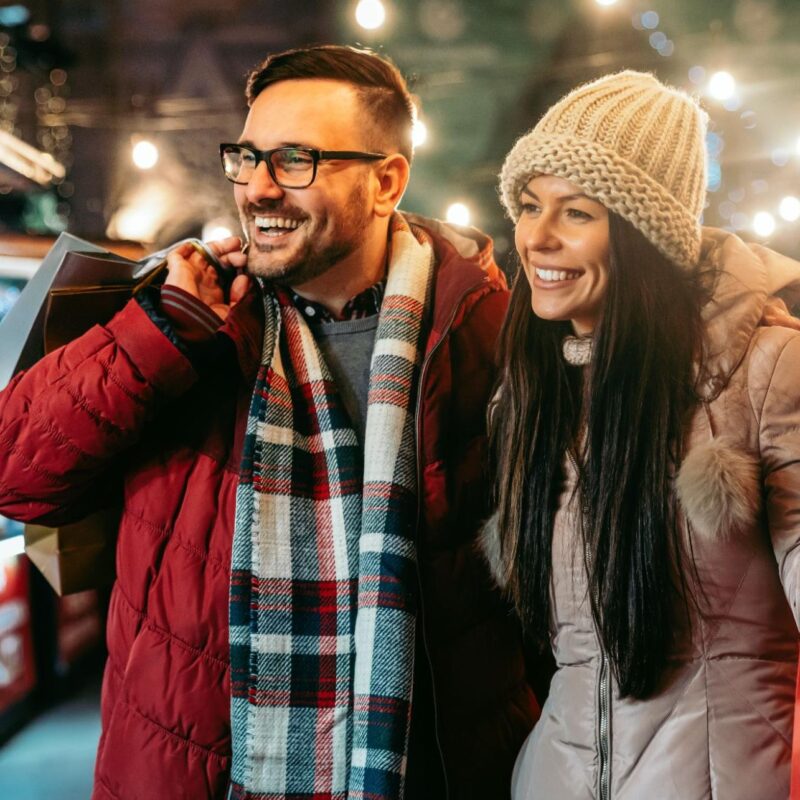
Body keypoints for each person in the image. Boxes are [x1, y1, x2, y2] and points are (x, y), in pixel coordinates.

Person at [0, 45, 539, 799]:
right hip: (193, 771)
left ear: (386, 181)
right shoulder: (193, 318)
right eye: (247, 157)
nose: (256, 189)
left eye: (294, 160)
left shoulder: (482, 333)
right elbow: (16, 475)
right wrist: (162, 333)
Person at [482, 70, 800, 799]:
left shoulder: (769, 368)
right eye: (529, 206)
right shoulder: (531, 396)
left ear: (643, 232)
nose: (538, 236)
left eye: (576, 213)